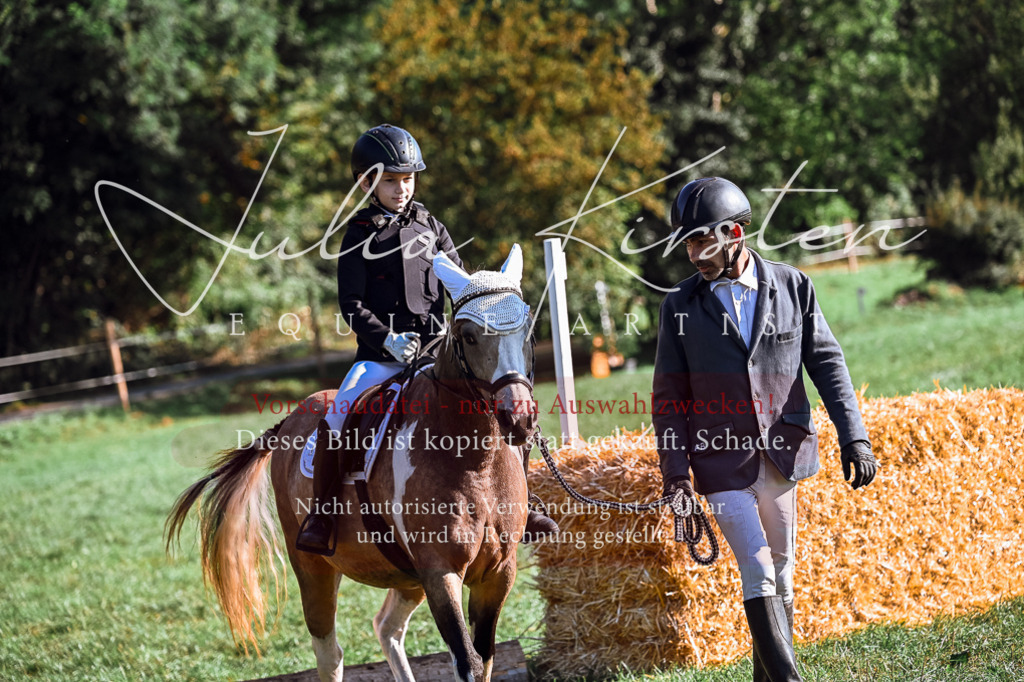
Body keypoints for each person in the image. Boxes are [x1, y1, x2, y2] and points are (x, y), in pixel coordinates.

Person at [651, 177, 878, 681]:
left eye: (701, 240)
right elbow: (668, 401)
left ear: (734, 233)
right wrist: (676, 476)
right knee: (756, 566)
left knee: (783, 574)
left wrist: (853, 435)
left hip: (783, 453)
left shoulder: (794, 286)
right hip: (719, 461)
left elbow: (828, 363)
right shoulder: (679, 307)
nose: (692, 254)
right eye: (686, 243)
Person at [296, 124, 558, 555]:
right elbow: (352, 305)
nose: (401, 188)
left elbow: (461, 286)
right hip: (381, 357)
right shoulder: (357, 234)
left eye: (408, 179)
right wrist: (389, 341)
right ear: (367, 183)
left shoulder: (431, 226)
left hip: (439, 352)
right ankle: (322, 515)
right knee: (338, 415)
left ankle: (523, 507)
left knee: (505, 401)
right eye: (390, 180)